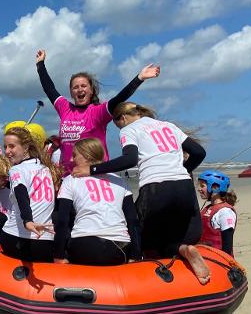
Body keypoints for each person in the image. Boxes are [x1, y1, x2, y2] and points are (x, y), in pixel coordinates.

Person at [72, 102, 209, 282]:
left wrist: (92, 170)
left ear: (122, 118)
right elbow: (199, 152)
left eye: (118, 124)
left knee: (142, 235)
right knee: (178, 232)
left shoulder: (129, 130)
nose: (120, 128)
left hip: (155, 188)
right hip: (184, 187)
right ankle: (184, 249)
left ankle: (142, 270)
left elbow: (129, 160)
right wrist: (183, 169)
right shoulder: (169, 126)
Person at [35, 48, 161, 172]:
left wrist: (139, 78)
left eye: (84, 86)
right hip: (68, 175)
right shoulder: (65, 108)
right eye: (75, 87)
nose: (80, 89)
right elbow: (49, 88)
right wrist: (40, 64)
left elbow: (120, 98)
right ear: (71, 92)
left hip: (95, 174)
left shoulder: (98, 112)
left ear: (91, 91)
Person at [53, 137, 140, 265]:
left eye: (74, 155)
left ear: (86, 156)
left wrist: (58, 255)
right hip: (119, 247)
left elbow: (62, 221)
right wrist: (136, 255)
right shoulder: (120, 181)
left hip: (83, 245)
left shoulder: (70, 180)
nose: (71, 160)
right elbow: (133, 220)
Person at [0, 126, 60, 261]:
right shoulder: (46, 169)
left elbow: (21, 193)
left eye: (12, 147)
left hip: (17, 241)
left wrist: (27, 221)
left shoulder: (17, 169)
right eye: (5, 147)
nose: (7, 151)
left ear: (26, 147)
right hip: (45, 244)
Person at [197, 170, 237, 256]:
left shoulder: (225, 212)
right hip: (204, 256)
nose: (199, 189)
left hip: (218, 260)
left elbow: (227, 246)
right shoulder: (208, 208)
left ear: (215, 187)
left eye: (202, 186)